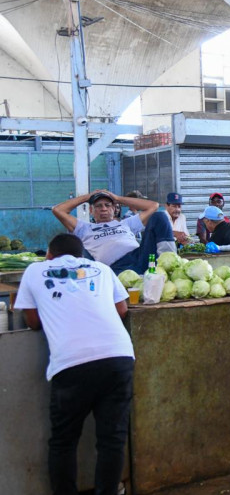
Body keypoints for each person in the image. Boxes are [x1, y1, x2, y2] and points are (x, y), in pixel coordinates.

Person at [14, 233, 134, 495]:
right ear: (82, 256)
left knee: (64, 442)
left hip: (71, 362)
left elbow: (32, 321)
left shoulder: (35, 270)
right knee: (112, 439)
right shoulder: (101, 268)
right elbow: (122, 310)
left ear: (49, 254)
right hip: (118, 356)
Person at [53, 189, 176, 275]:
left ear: (114, 208)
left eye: (107, 205)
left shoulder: (125, 223)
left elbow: (153, 206)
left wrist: (117, 198)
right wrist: (87, 197)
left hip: (142, 258)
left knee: (159, 216)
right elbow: (58, 210)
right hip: (117, 268)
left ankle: (169, 264)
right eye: (99, 206)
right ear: (91, 210)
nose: (104, 209)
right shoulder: (85, 228)